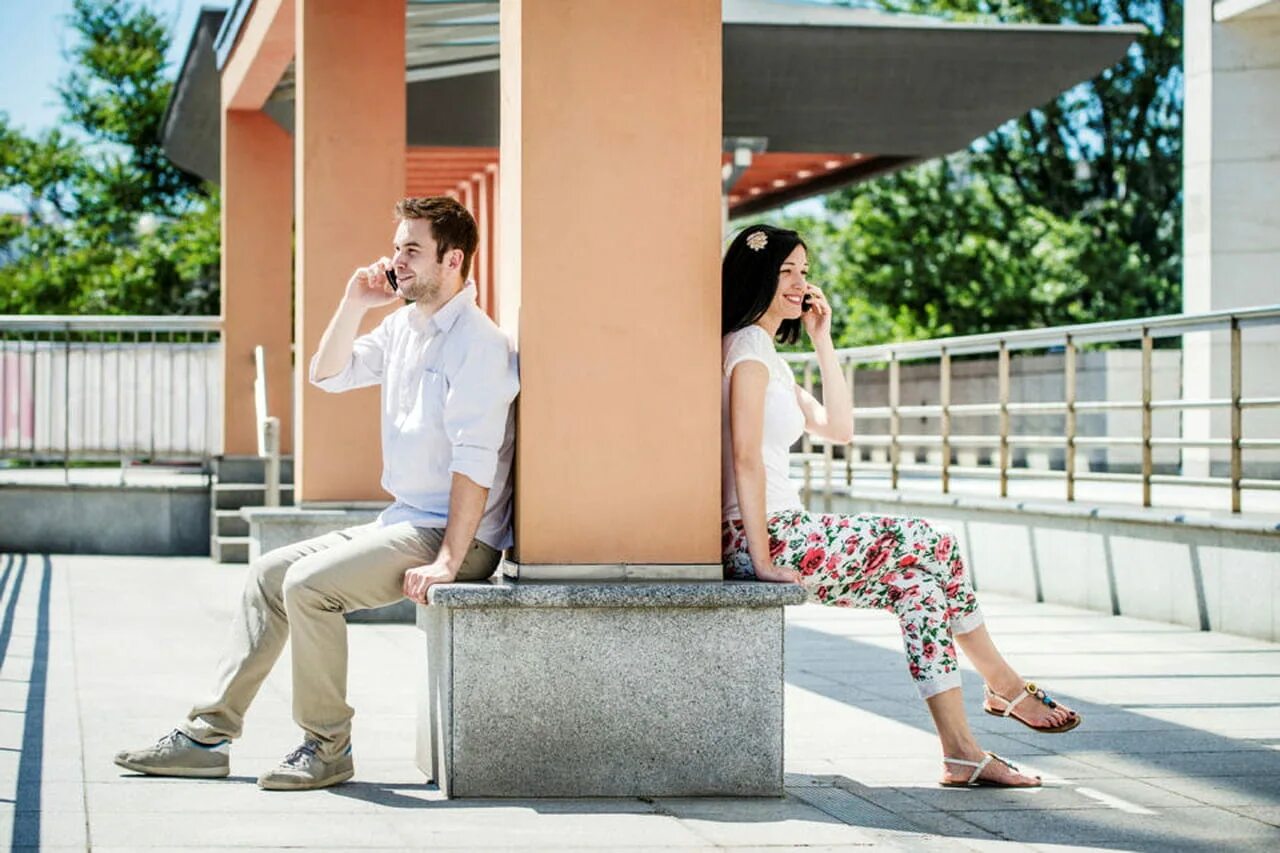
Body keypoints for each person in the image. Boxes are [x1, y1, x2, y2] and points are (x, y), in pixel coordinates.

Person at [115, 196, 518, 791]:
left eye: (412, 250)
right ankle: (207, 736)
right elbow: (326, 374)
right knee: (268, 574)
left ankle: (327, 746)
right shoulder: (404, 328)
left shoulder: (478, 345)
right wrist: (355, 302)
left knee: (309, 588)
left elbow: (475, 465)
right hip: (402, 522)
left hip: (458, 535)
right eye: (396, 247)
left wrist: (448, 561)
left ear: (452, 259)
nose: (396, 260)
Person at [720, 224, 1079, 788]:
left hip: (785, 529)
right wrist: (763, 561)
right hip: (762, 534)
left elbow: (838, 428)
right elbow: (743, 457)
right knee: (930, 542)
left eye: (804, 272)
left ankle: (961, 753)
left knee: (921, 589)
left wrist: (823, 338)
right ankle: (1004, 685)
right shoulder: (746, 349)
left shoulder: (769, 356)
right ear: (755, 277)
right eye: (785, 272)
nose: (798, 283)